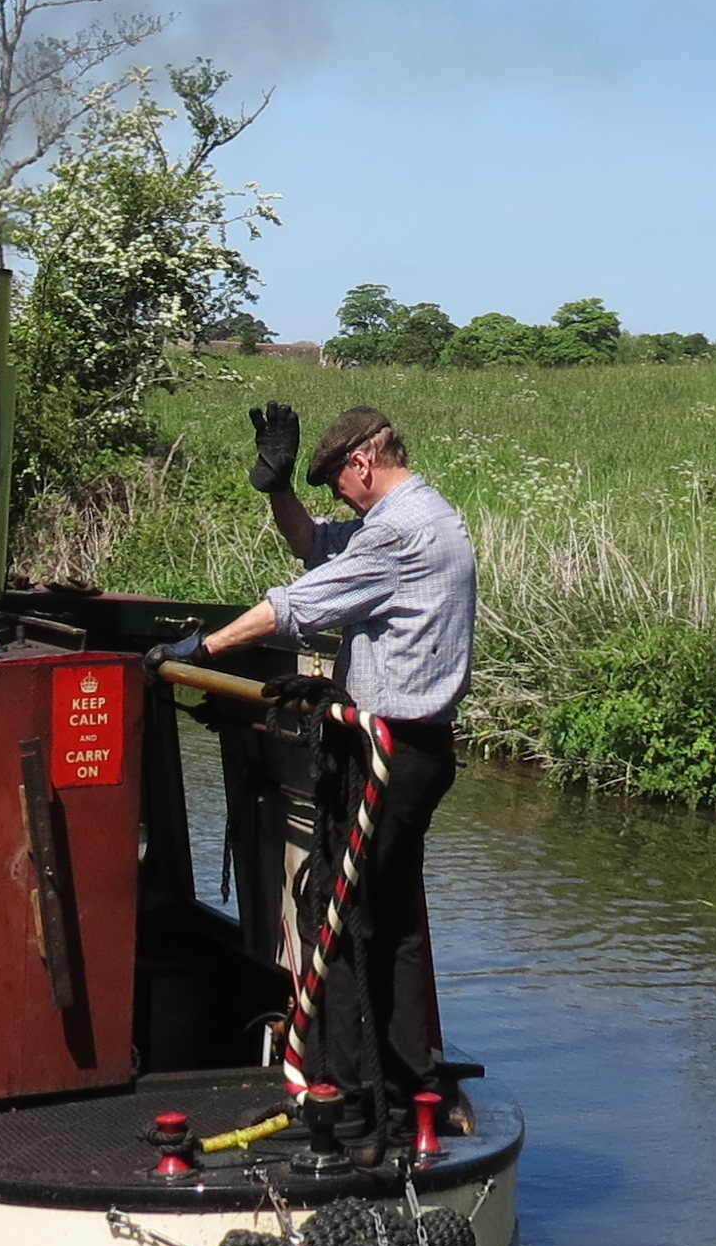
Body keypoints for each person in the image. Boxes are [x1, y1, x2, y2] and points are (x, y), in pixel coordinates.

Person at [154, 402, 477, 1092]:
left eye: (338, 483)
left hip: (390, 751)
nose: (339, 497)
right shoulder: (418, 516)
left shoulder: (400, 534)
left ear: (363, 462)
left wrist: (200, 650)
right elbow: (318, 548)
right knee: (388, 915)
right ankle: (405, 1075)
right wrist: (279, 490)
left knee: (337, 911)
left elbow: (299, 602)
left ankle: (344, 1088)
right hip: (409, 746)